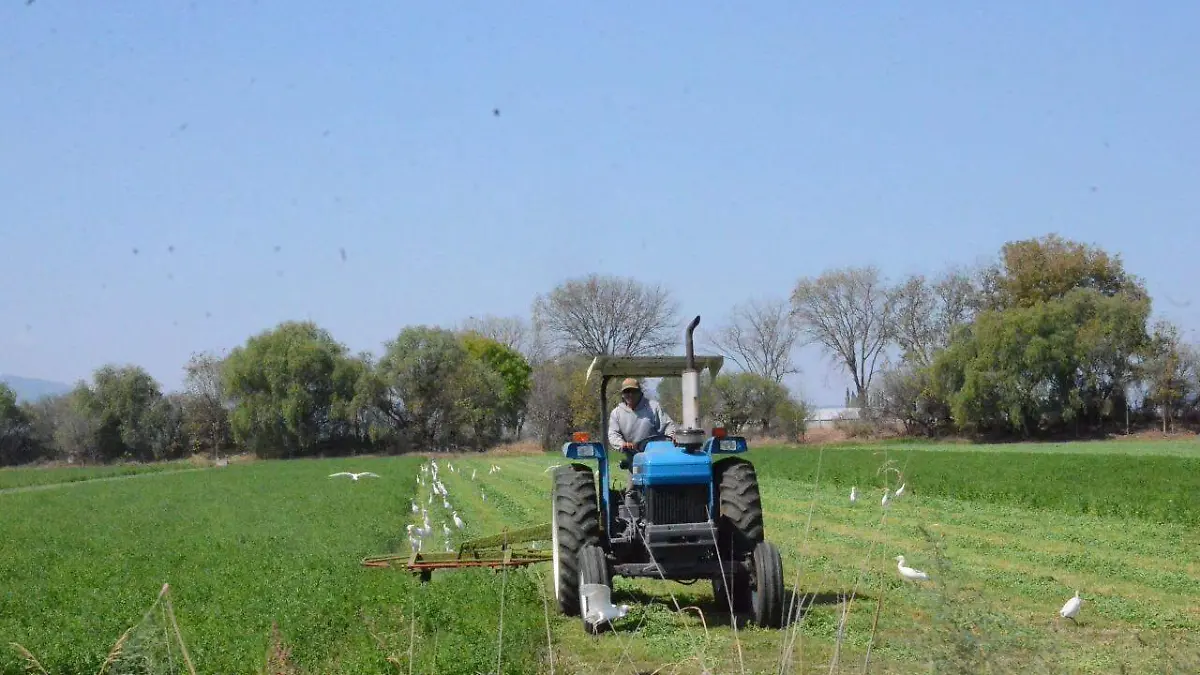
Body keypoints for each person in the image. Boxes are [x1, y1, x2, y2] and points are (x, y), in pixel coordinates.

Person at [607, 378, 677, 460]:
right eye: (627, 391)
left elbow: (667, 425)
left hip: (656, 455)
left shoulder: (653, 407)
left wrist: (673, 435)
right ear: (622, 394)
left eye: (634, 391)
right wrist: (622, 444)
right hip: (633, 456)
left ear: (640, 392)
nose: (630, 394)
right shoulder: (616, 413)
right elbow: (613, 434)